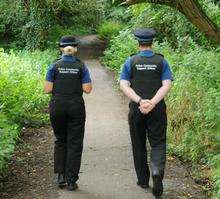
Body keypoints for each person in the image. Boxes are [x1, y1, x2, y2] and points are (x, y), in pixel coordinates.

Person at [120, 28, 173, 198]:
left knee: (138, 143)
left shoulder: (131, 61)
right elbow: (166, 84)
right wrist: (152, 102)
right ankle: (157, 170)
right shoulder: (162, 61)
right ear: (152, 42)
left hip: (137, 109)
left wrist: (140, 101)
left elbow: (124, 85)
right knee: (158, 142)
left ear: (138, 42)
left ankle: (143, 180)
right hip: (157, 109)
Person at [44, 36, 92, 191]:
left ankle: (60, 176)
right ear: (75, 49)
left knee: (60, 140)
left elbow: (47, 89)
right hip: (75, 106)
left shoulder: (54, 65)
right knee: (75, 143)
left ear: (61, 49)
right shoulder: (81, 66)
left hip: (57, 106)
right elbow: (87, 89)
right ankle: (71, 181)